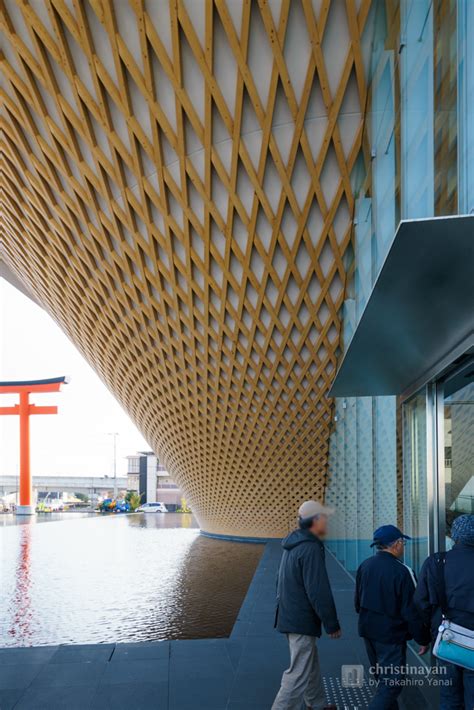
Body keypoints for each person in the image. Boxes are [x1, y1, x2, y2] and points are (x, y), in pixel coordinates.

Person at [271, 500, 340, 710]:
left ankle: (316, 704)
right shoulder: (309, 548)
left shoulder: (293, 544)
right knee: (297, 673)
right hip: (300, 618)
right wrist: (331, 623)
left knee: (309, 663)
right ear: (316, 520)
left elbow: (279, 580)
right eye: (324, 517)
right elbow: (318, 590)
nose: (327, 521)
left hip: (290, 615)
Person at [355, 525, 430, 709]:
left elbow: (357, 603)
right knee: (391, 685)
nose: (403, 546)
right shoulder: (403, 571)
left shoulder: (365, 565)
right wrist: (422, 638)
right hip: (390, 636)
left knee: (383, 680)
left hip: (368, 631)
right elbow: (412, 611)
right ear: (396, 544)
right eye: (402, 542)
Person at [414, 514, 474, 710]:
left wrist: (425, 637)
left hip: (447, 639)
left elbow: (421, 602)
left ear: (455, 536)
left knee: (449, 698)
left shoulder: (437, 562)